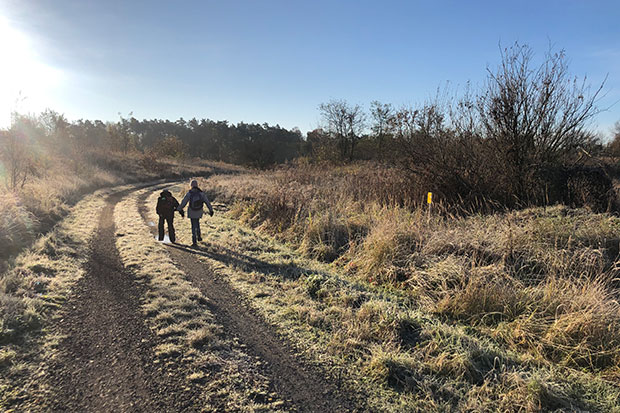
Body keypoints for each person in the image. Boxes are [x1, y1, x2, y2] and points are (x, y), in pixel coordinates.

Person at [178, 179, 214, 247]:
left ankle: (194, 241)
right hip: (199, 211)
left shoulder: (189, 193)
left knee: (193, 225)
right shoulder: (201, 193)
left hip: (191, 211)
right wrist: (211, 210)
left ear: (191, 185)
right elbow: (207, 202)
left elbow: (184, 202)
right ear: (197, 185)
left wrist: (179, 209)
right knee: (197, 223)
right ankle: (199, 237)